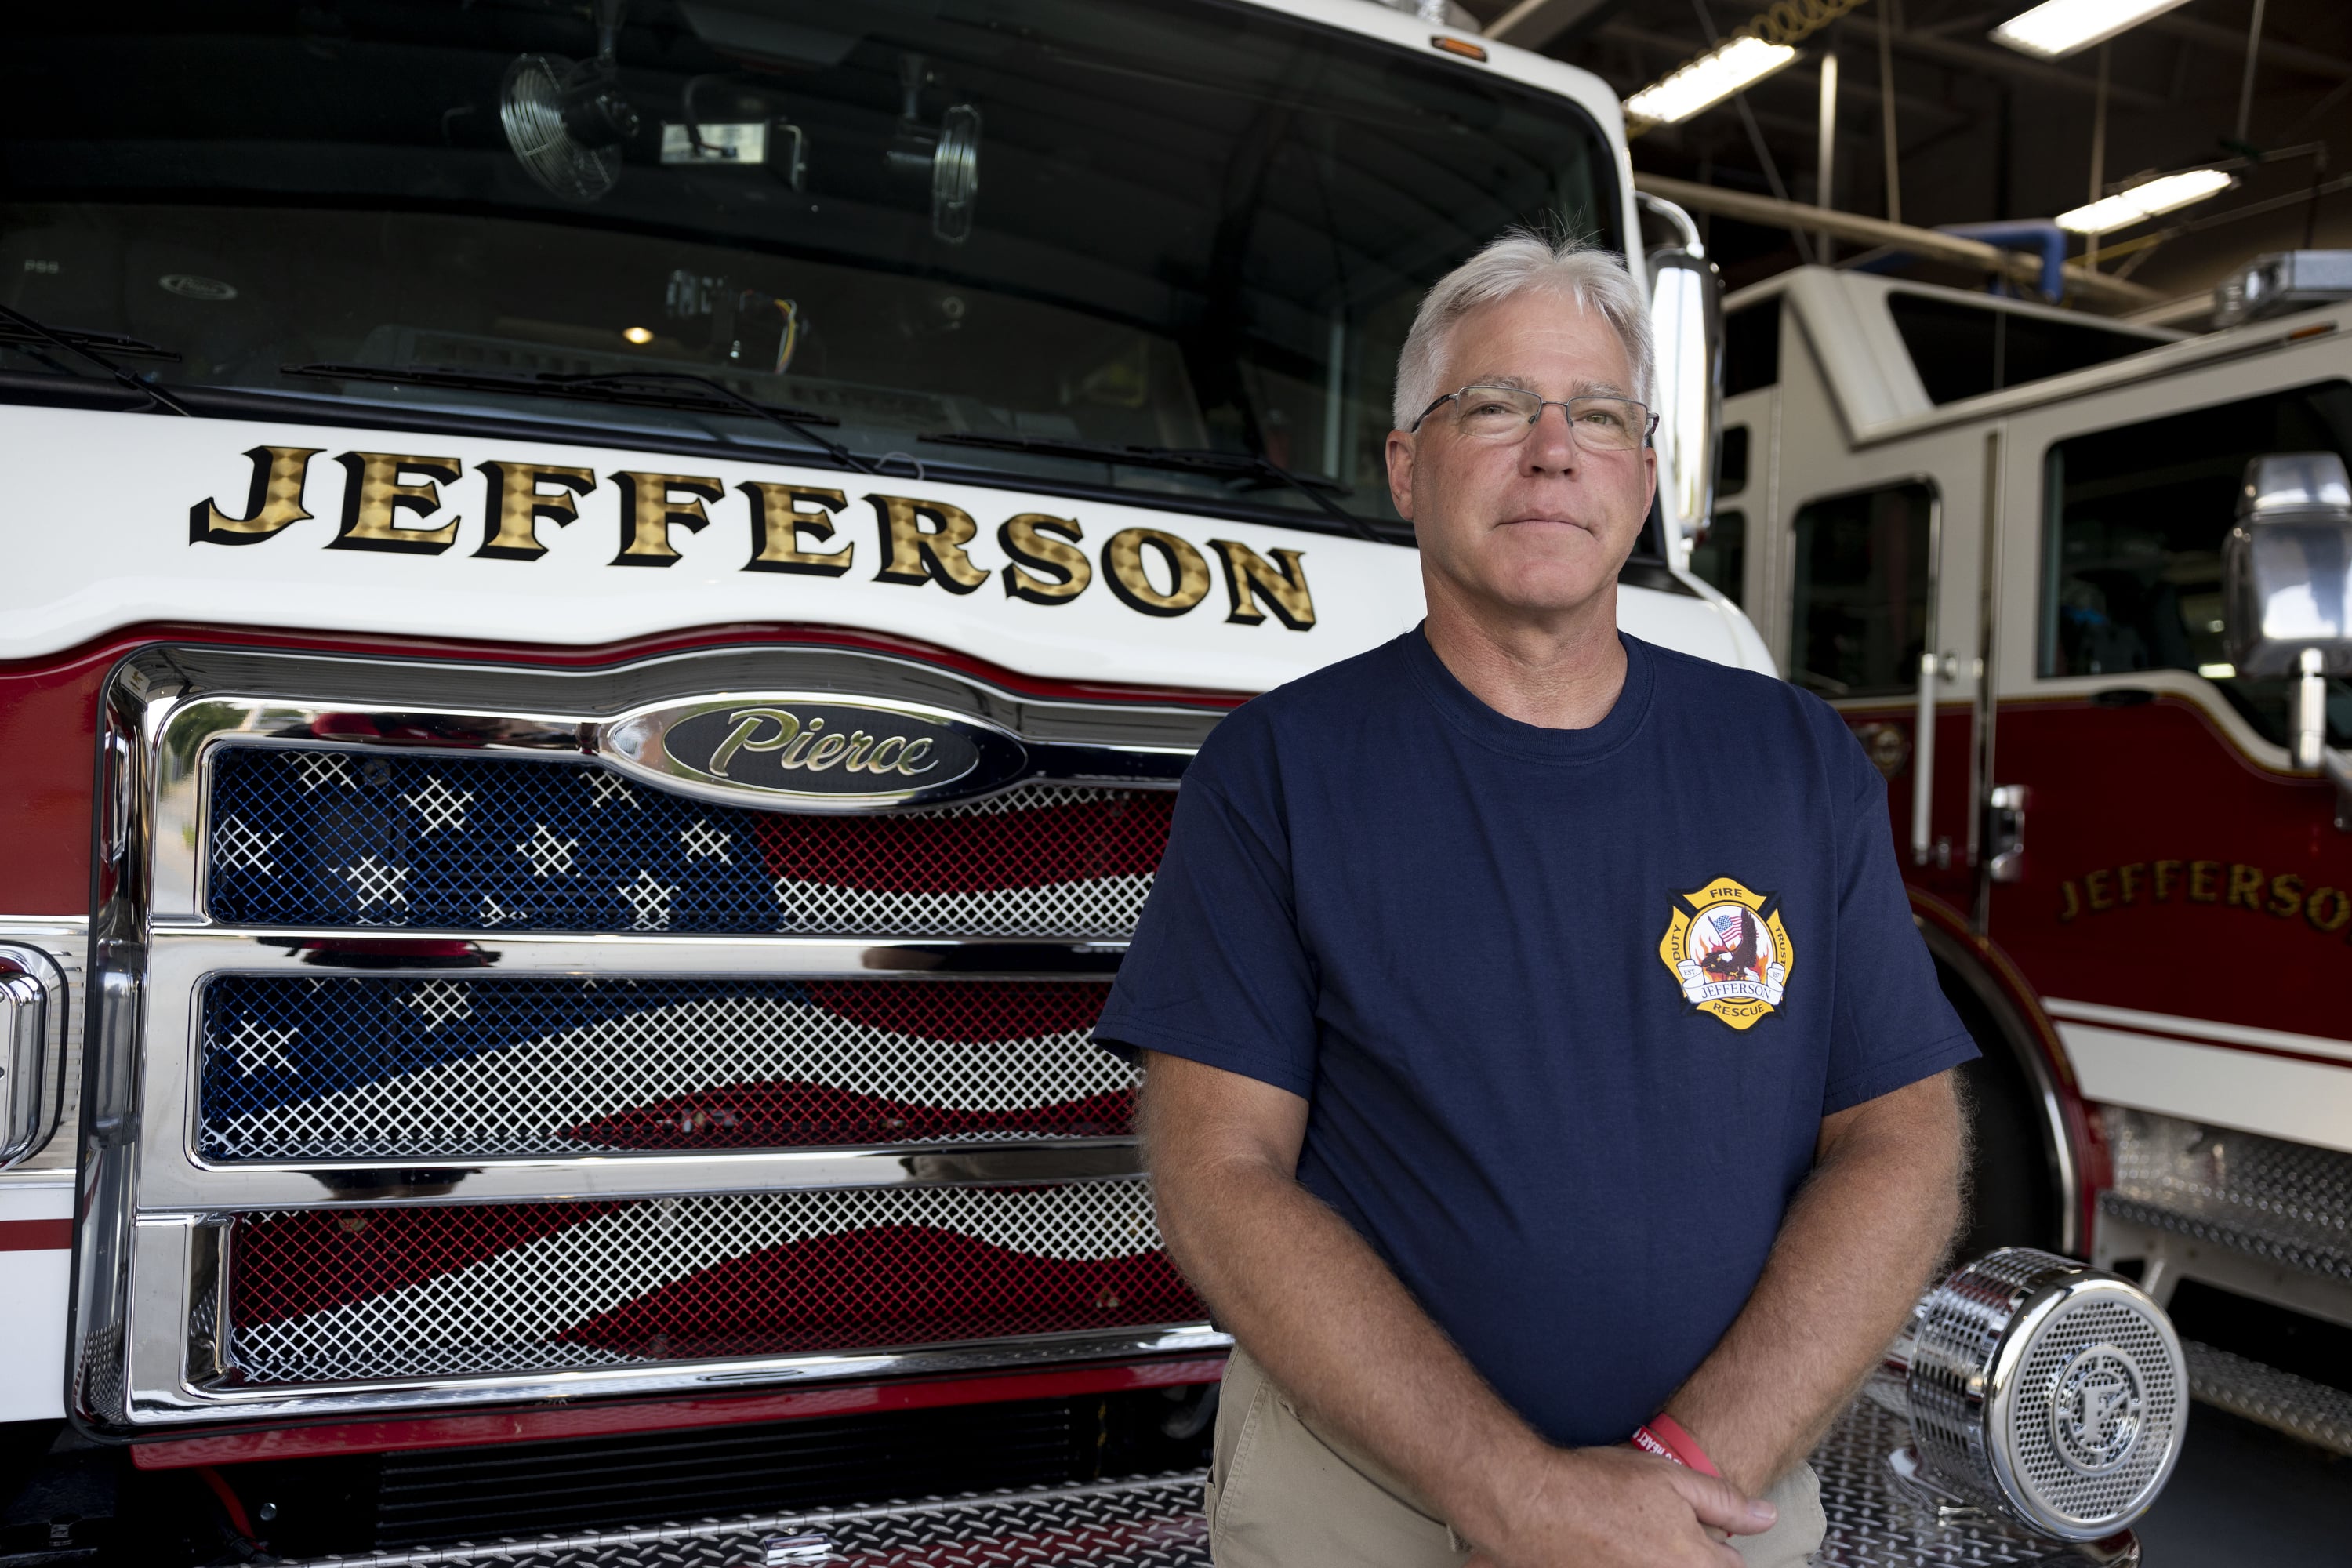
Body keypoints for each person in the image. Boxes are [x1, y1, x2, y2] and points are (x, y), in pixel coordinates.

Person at [1092, 231, 1976, 1568]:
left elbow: (1903, 1145)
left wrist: (1682, 1474)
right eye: (1496, 406)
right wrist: (1506, 1486)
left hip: (1716, 1518)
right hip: (1367, 1510)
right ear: (1407, 465)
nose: (1553, 450)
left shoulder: (1798, 762)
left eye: (1600, 414)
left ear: (1644, 472)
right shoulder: (1276, 771)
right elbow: (1219, 1171)